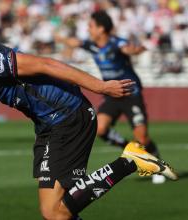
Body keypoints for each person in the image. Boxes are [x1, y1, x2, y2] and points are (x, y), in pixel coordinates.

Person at [0, 4, 177, 219]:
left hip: (69, 115)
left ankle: (129, 161)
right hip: (49, 125)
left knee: (54, 212)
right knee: (58, 212)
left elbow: (46, 64)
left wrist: (101, 88)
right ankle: (130, 160)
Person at [55, 10, 166, 184]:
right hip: (112, 94)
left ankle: (156, 161)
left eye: (91, 26)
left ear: (101, 29)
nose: (88, 29)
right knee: (100, 129)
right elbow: (73, 42)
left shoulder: (116, 43)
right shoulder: (91, 45)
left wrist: (137, 49)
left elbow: (129, 48)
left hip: (131, 94)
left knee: (143, 137)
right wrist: (61, 37)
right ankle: (131, 149)